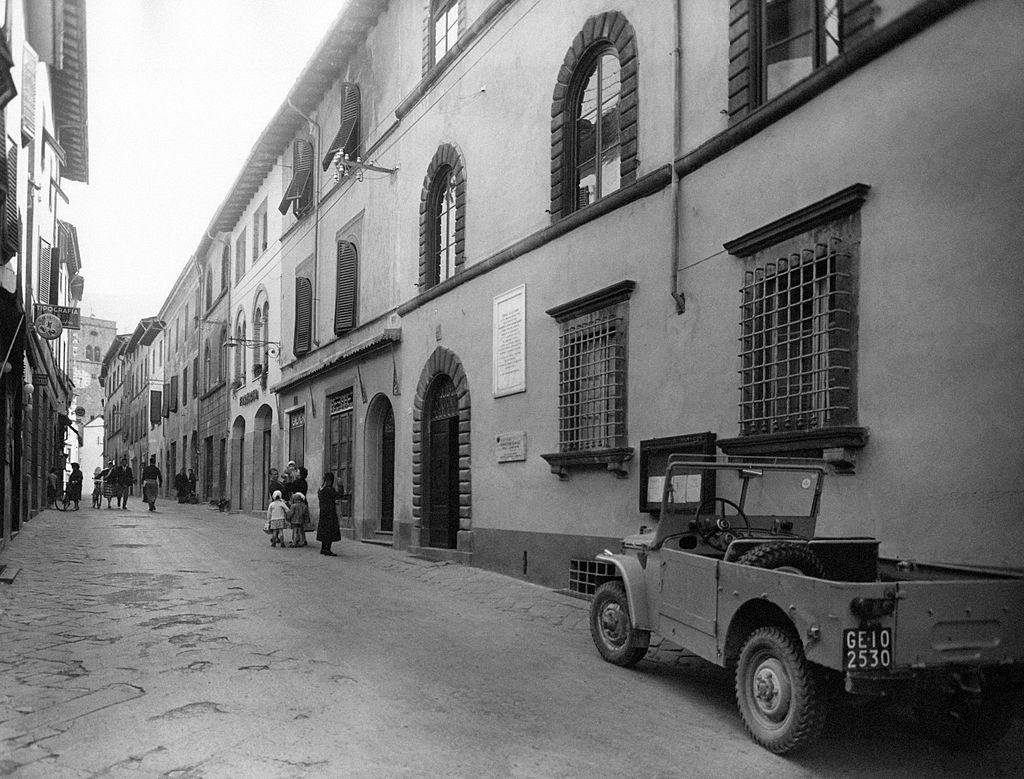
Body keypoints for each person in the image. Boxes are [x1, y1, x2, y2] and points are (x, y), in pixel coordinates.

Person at [316, 472, 341, 556]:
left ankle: (323, 548)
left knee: (324, 530)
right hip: (330, 512)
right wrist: (340, 485)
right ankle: (328, 549)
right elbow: (338, 495)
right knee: (330, 531)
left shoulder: (321, 489)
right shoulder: (330, 489)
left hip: (323, 512)